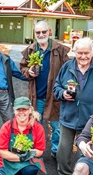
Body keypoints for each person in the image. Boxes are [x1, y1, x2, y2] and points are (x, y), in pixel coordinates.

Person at [52, 37, 93, 175]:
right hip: (68, 116)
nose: (83, 56)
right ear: (75, 52)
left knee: (85, 151)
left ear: (92, 52)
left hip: (90, 118)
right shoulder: (67, 67)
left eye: (86, 53)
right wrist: (62, 93)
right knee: (63, 150)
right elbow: (56, 87)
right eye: (80, 53)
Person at [20, 21, 70, 158]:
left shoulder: (60, 50)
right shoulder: (31, 50)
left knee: (57, 127)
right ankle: (37, 151)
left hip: (55, 96)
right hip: (37, 96)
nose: (41, 35)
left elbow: (69, 70)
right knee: (35, 126)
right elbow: (22, 67)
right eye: (38, 32)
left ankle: (56, 151)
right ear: (34, 34)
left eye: (43, 32)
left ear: (49, 32)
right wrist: (28, 71)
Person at [0, 97, 45, 175]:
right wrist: (21, 157)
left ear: (30, 110)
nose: (21, 112)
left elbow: (40, 151)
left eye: (25, 109)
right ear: (14, 111)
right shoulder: (6, 127)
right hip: (8, 162)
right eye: (19, 109)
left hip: (28, 162)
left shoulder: (37, 127)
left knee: (30, 170)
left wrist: (27, 155)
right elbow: (2, 152)